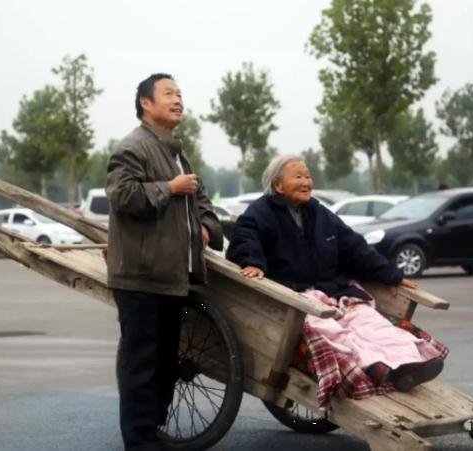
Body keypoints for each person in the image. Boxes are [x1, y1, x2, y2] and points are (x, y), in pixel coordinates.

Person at [226, 156, 446, 407]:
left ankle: (409, 365)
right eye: (298, 177)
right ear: (278, 185)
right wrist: (252, 261)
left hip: (334, 291)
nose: (306, 182)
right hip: (295, 296)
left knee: (371, 323)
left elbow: (355, 247)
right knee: (333, 332)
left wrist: (390, 275)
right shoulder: (260, 213)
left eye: (307, 176)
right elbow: (245, 238)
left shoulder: (319, 213)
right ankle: (376, 367)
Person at [106, 73, 223, 451]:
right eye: (168, 93)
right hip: (141, 277)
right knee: (141, 364)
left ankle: (152, 430)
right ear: (146, 103)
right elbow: (122, 196)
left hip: (173, 276)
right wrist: (169, 188)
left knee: (166, 363)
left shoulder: (176, 153)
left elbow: (201, 201)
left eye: (180, 93)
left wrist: (206, 227)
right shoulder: (133, 148)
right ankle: (139, 442)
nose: (178, 100)